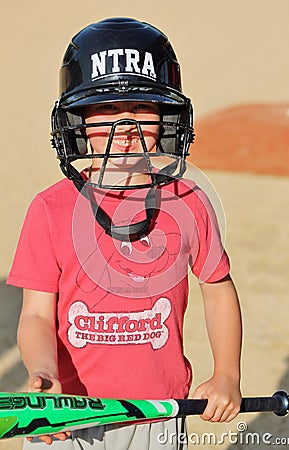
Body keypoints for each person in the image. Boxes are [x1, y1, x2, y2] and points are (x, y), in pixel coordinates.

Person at [7, 17, 242, 449]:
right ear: (75, 121)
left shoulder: (187, 201)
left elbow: (218, 289)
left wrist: (227, 373)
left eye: (142, 109)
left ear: (169, 117)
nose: (125, 128)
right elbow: (37, 314)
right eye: (106, 110)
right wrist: (44, 373)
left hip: (156, 414)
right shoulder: (51, 208)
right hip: (67, 415)